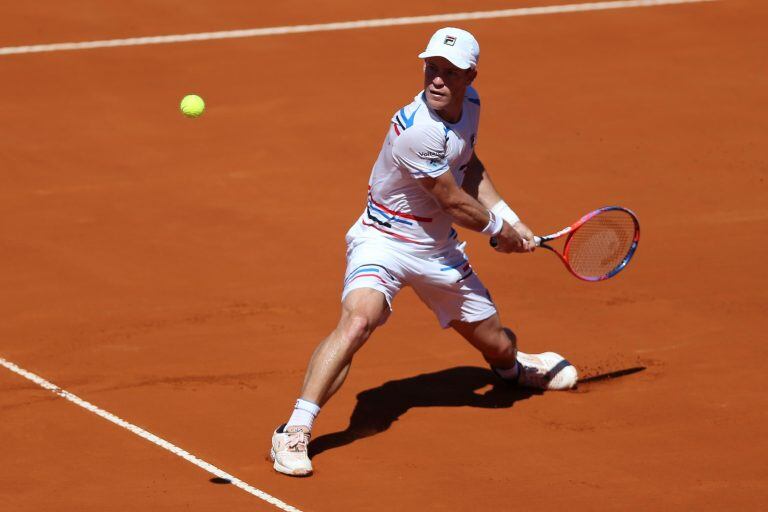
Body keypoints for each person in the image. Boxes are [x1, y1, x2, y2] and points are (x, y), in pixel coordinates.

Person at [270, 27, 577, 477]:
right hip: (384, 240)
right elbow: (451, 199)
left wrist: (510, 217)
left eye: (448, 72)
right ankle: (294, 429)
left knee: (496, 343)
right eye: (431, 68)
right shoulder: (415, 129)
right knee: (359, 319)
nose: (435, 79)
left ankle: (515, 368)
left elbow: (468, 165)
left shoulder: (470, 106)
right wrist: (499, 232)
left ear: (470, 76)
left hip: (437, 251)